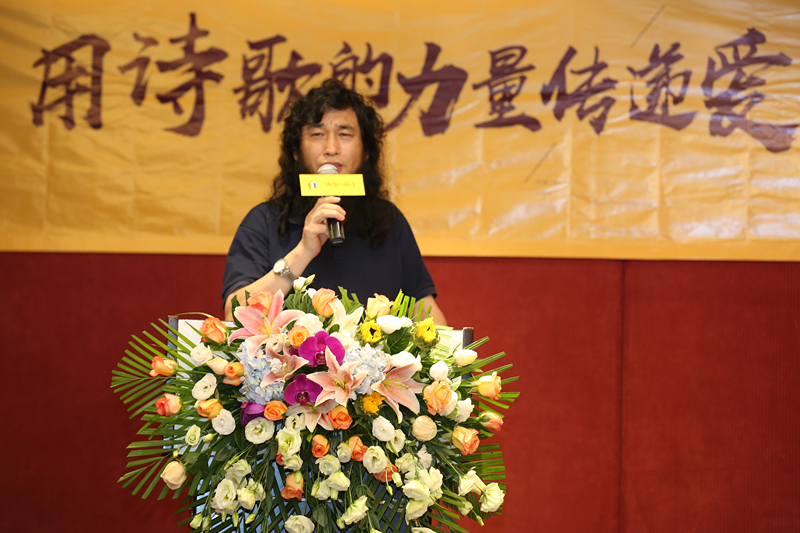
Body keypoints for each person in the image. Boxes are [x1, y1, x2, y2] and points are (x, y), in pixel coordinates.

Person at [222, 79, 446, 325]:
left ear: (366, 151)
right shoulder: (264, 220)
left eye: (344, 134)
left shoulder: (388, 221)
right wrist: (302, 253)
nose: (331, 148)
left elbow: (426, 312)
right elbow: (234, 313)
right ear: (296, 151)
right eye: (317, 134)